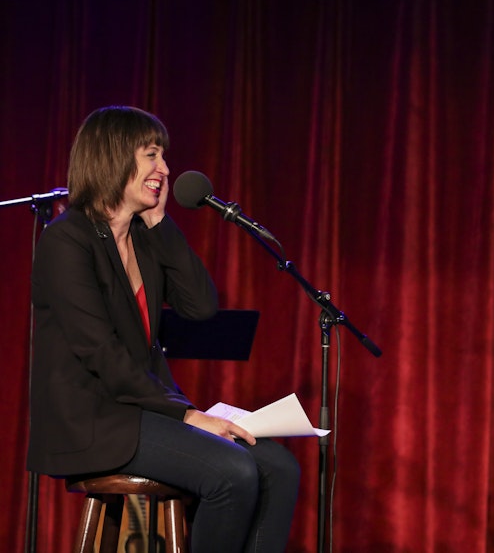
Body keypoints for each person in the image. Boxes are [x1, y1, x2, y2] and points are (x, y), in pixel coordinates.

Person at [27, 106, 300, 551]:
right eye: (152, 155)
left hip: (143, 412)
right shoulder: (66, 241)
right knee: (232, 473)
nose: (166, 169)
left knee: (280, 468)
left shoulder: (143, 237)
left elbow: (200, 307)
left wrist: (160, 223)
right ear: (115, 156)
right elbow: (100, 352)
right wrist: (187, 415)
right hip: (94, 421)